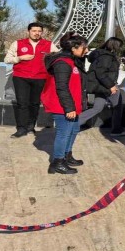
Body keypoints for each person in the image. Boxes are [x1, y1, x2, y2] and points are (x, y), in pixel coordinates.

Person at [41, 32, 88, 175]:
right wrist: (69, 108)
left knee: (73, 131)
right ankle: (58, 162)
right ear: (73, 48)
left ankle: (67, 156)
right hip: (63, 105)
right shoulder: (62, 62)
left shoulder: (72, 61)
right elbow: (61, 87)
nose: (86, 50)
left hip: (72, 104)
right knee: (64, 133)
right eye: (84, 47)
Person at [4, 22, 59, 138]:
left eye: (39, 31)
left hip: (40, 78)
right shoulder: (18, 43)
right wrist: (19, 58)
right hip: (21, 77)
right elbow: (7, 59)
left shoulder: (48, 44)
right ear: (28, 31)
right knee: (22, 104)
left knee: (34, 104)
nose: (36, 33)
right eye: (34, 31)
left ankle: (30, 127)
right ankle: (21, 129)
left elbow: (58, 58)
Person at [78, 37, 125, 134]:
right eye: (119, 46)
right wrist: (111, 86)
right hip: (106, 86)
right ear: (115, 45)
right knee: (117, 106)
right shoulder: (106, 56)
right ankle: (116, 130)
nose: (120, 48)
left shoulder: (99, 54)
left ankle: (74, 123)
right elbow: (101, 72)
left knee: (97, 108)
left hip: (100, 87)